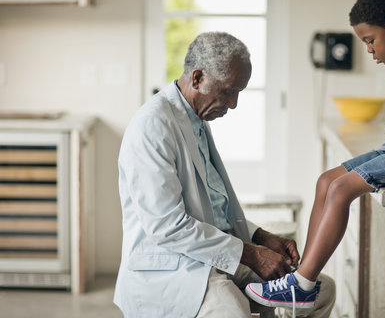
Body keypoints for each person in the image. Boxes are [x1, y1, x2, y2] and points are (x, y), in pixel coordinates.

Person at [246, 0, 385, 308]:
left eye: (370, 41)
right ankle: (305, 273)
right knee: (325, 181)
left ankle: (301, 286)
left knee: (340, 190)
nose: (370, 50)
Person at [113, 31, 335, 318]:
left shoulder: (196, 120)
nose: (233, 104)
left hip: (210, 255)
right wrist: (252, 254)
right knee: (231, 308)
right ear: (197, 78)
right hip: (173, 267)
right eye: (228, 91)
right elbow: (167, 226)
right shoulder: (153, 126)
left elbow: (212, 208)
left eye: (238, 93)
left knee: (320, 291)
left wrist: (260, 236)